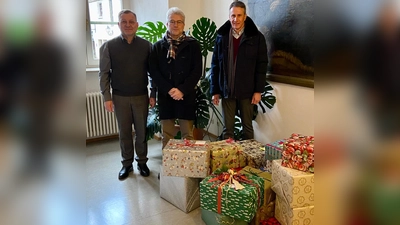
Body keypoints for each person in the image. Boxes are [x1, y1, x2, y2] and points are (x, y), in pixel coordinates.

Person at [99, 9, 156, 180]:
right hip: (119, 97)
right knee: (124, 133)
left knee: (141, 132)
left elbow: (153, 73)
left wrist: (153, 94)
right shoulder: (109, 46)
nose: (128, 25)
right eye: (124, 21)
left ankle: (142, 162)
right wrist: (106, 97)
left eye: (131, 21)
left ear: (137, 25)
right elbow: (104, 73)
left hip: (140, 96)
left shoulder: (147, 46)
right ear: (119, 25)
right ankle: (127, 164)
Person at [210, 1, 268, 140]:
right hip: (227, 90)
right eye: (233, 16)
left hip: (247, 91)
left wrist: (258, 91)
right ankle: (228, 160)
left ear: (245, 16)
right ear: (229, 16)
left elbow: (262, 65)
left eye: (239, 15)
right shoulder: (221, 36)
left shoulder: (257, 37)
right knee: (228, 129)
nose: (235, 19)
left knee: (247, 127)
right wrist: (215, 91)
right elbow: (215, 65)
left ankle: (248, 159)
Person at [149, 7, 202, 149]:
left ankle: (189, 168)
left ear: (184, 25)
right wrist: (170, 89)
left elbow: (197, 71)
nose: (176, 25)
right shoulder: (157, 47)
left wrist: (182, 90)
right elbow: (154, 72)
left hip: (186, 95)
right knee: (167, 135)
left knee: (188, 135)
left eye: (179, 22)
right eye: (172, 21)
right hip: (166, 96)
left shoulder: (193, 45)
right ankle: (169, 168)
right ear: (167, 24)